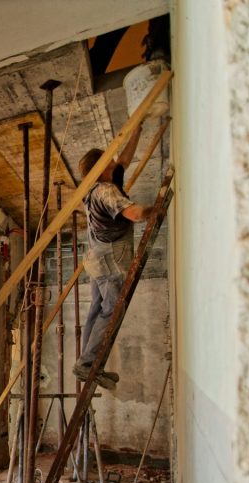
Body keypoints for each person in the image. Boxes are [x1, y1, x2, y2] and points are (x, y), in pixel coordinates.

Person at [72, 126, 156, 390]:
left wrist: (137, 130)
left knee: (96, 309)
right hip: (108, 260)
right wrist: (156, 208)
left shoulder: (101, 184)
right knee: (110, 311)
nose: (113, 161)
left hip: (96, 258)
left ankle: (87, 363)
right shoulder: (105, 191)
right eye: (108, 160)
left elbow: (124, 161)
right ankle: (87, 364)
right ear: (100, 168)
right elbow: (135, 214)